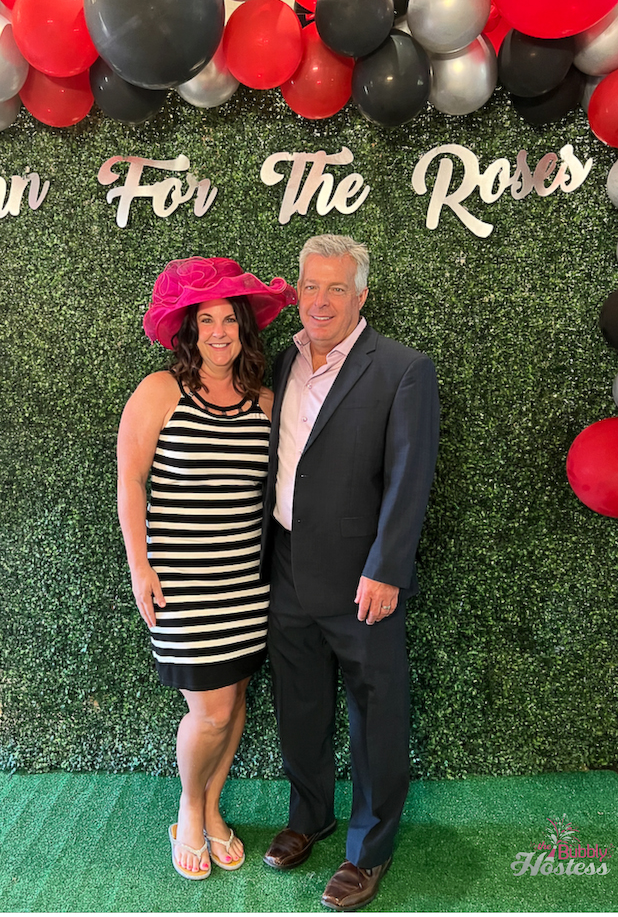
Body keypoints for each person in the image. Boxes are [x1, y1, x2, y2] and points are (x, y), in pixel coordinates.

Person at [260, 234, 440, 911]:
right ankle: (309, 817)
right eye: (311, 286)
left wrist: (386, 569)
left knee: (376, 714)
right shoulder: (282, 360)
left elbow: (409, 478)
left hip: (363, 579)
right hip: (284, 567)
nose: (321, 301)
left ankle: (368, 850)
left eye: (337, 288)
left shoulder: (402, 368)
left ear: (361, 295)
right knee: (299, 705)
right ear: (298, 293)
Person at [117, 255, 295, 881]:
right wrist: (140, 568)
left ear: (245, 328)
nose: (220, 332)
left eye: (230, 320)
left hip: (247, 580)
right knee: (211, 711)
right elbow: (131, 483)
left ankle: (213, 807)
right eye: (207, 321)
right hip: (183, 582)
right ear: (189, 329)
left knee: (236, 696)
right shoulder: (159, 391)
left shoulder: (265, 402)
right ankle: (188, 811)